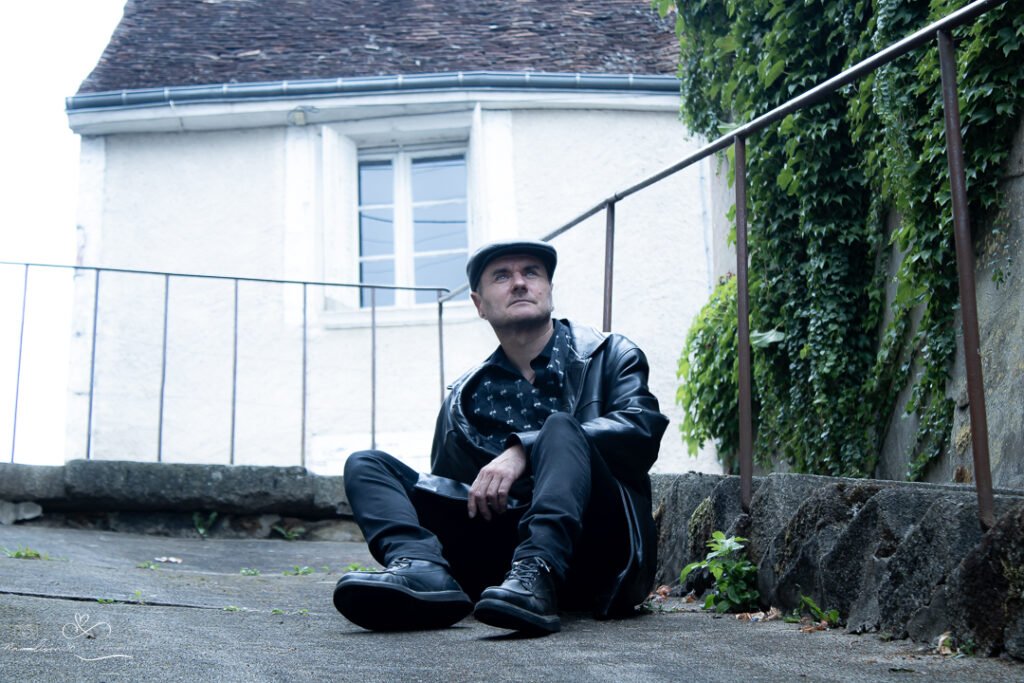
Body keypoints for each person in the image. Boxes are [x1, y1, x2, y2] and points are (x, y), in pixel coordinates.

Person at [333, 239, 668, 635]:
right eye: (502, 276)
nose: (520, 283)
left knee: (561, 427)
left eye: (532, 273)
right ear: (479, 304)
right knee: (365, 464)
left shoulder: (610, 353)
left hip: (596, 547)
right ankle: (424, 571)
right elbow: (451, 488)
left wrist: (523, 448)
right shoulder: (465, 397)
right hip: (501, 564)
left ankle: (539, 568)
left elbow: (641, 429)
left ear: (549, 290)